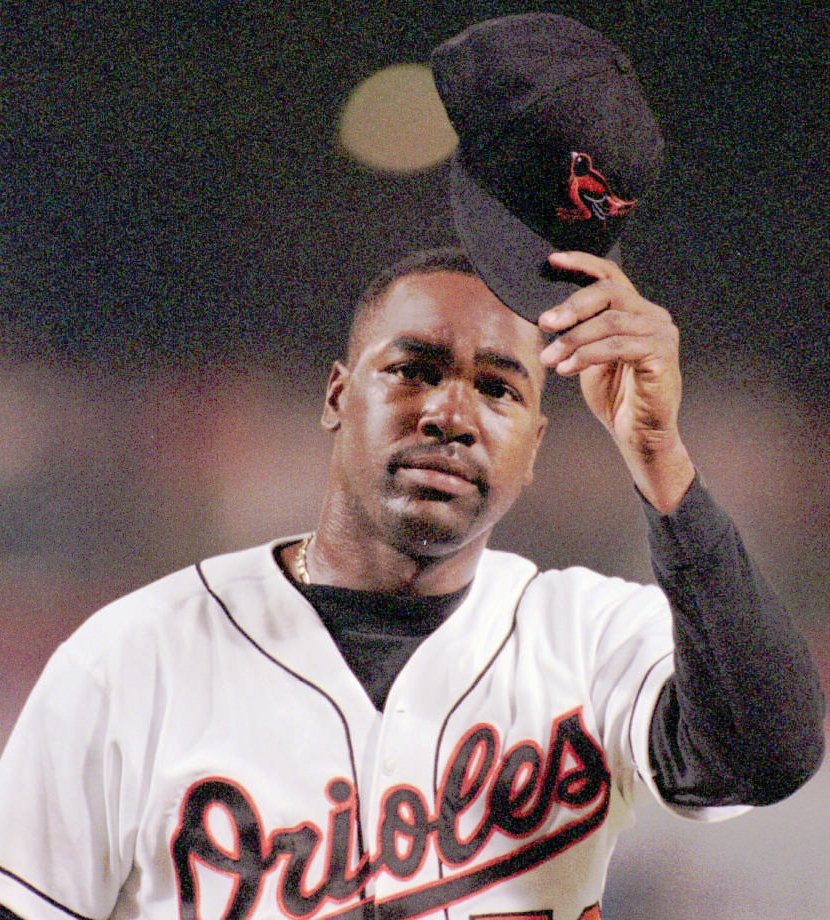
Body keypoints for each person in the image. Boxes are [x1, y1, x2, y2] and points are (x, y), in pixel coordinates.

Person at [0, 13, 824, 920]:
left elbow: (769, 755)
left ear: (535, 449)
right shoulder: (133, 660)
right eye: (413, 370)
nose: (450, 412)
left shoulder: (586, 639)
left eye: (502, 389)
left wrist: (662, 462)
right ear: (335, 397)